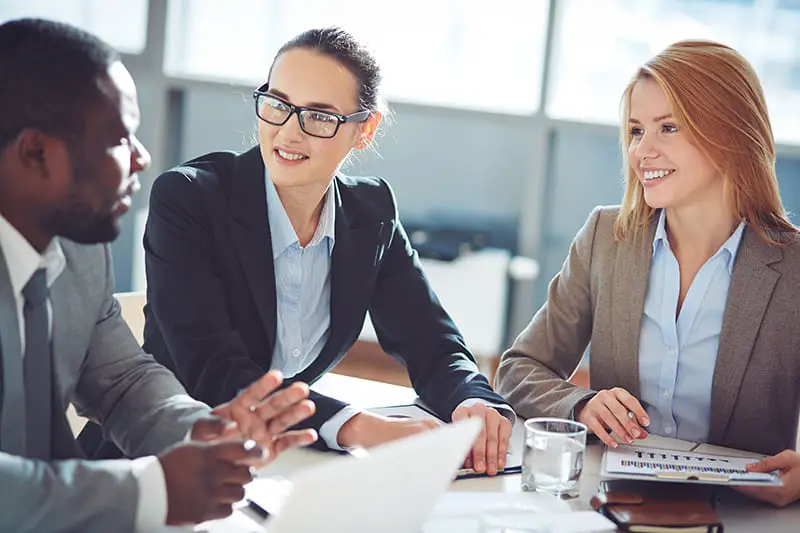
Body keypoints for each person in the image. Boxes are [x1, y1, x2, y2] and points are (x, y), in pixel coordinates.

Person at [141, 27, 513, 475]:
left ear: (365, 130)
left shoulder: (370, 212)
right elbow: (213, 371)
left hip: (281, 466)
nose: (288, 132)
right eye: (278, 105)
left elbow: (431, 339)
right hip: (167, 458)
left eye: (319, 116)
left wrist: (471, 397)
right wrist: (359, 427)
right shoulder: (190, 200)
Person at [0, 18, 317, 532]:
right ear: (37, 152)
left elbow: (123, 381)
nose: (142, 158)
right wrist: (148, 491)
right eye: (119, 139)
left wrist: (204, 432)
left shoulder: (80, 252)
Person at [495, 40, 800, 505]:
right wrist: (581, 403)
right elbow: (519, 368)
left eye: (669, 128)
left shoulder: (791, 267)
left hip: (741, 513)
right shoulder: (605, 237)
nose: (642, 152)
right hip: (612, 503)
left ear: (731, 135)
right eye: (637, 131)